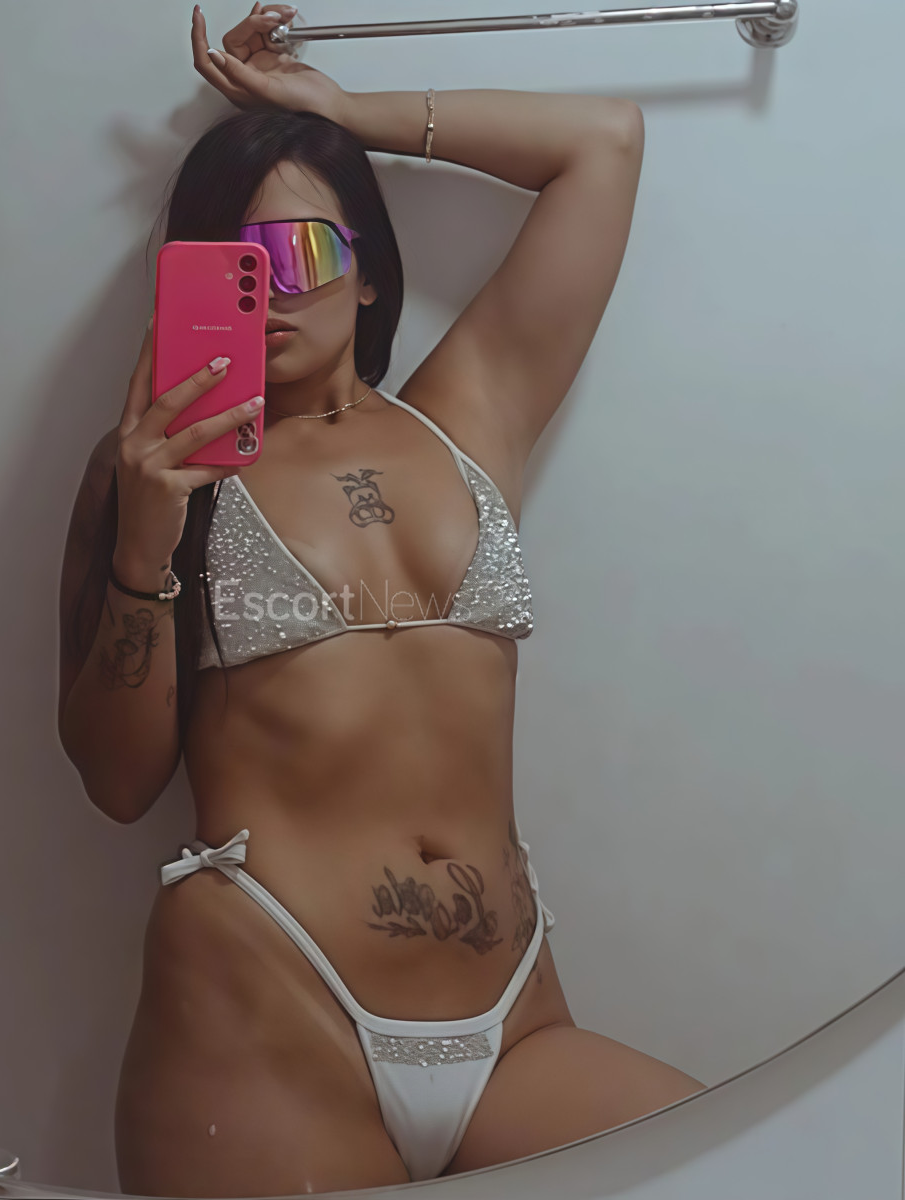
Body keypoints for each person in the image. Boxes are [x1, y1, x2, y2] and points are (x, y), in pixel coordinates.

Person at [58, 4, 705, 1195]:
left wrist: (344, 113)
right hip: (263, 1017)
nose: (272, 290)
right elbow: (116, 781)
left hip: (515, 1024)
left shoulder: (471, 414)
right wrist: (143, 542)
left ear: (365, 274)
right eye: (234, 266)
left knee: (745, 1161)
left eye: (304, 253)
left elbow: (602, 143)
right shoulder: (154, 469)